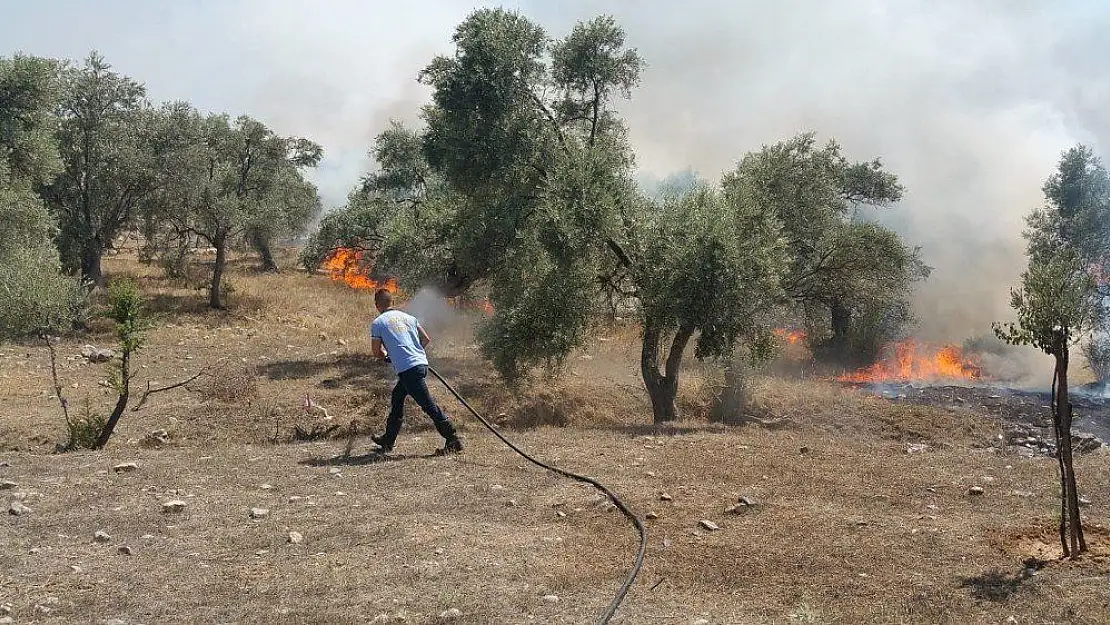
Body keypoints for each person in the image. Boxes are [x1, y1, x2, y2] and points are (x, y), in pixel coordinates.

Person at [368, 288, 463, 455]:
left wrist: (387, 356)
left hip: (408, 369)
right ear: (393, 303)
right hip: (420, 365)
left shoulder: (378, 323)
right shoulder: (409, 318)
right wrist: (414, 353)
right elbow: (426, 339)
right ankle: (388, 441)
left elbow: (376, 352)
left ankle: (452, 438)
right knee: (397, 397)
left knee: (428, 405)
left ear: (377, 305)